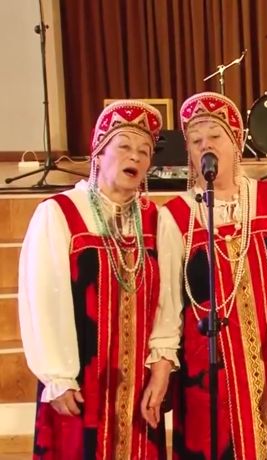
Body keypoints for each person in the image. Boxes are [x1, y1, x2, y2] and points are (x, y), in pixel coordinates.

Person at [142, 92, 267, 459]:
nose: (205, 146)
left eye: (215, 136)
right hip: (208, 368)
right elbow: (168, 303)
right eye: (196, 141)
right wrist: (162, 370)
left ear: (236, 142)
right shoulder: (176, 215)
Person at [19, 100, 166, 459]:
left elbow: (166, 303)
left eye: (145, 151)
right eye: (124, 146)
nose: (135, 156)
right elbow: (44, 298)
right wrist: (58, 375)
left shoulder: (154, 219)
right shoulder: (60, 212)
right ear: (99, 153)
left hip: (136, 383)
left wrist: (160, 369)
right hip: (82, 380)